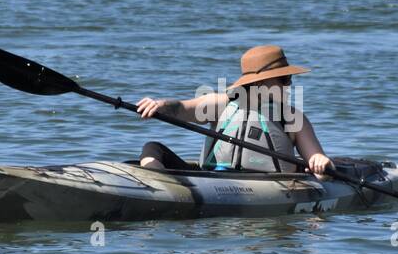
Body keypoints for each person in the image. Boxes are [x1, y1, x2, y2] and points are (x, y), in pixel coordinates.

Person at [136, 45, 334, 176]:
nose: (289, 84)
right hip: (212, 179)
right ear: (260, 82)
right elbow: (181, 109)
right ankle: (155, 184)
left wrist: (320, 162)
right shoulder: (221, 104)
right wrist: (160, 105)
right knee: (153, 148)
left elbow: (317, 158)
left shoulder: (294, 119)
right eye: (284, 79)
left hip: (266, 186)